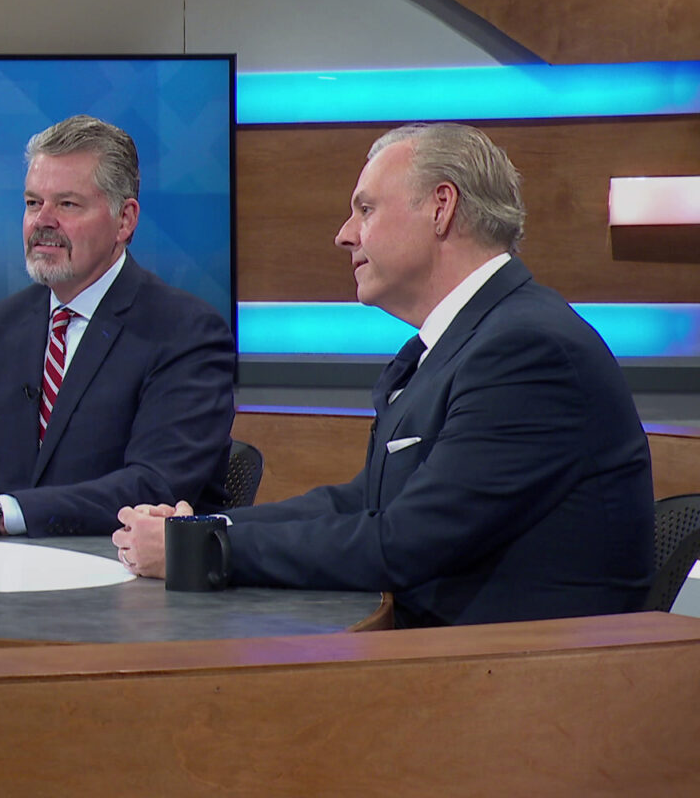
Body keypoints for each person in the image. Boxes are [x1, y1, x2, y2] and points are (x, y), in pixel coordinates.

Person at [113, 123, 654, 627]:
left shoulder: (527, 351)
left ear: (442, 207)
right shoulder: (464, 341)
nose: (345, 235)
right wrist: (204, 529)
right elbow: (366, 502)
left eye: (365, 209)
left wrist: (197, 552)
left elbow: (405, 542)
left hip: (518, 680)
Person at [0, 115, 235, 539]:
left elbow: (153, 487)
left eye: (67, 204)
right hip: (5, 590)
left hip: (128, 584)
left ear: (124, 220)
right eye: (33, 203)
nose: (43, 221)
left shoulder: (185, 333)